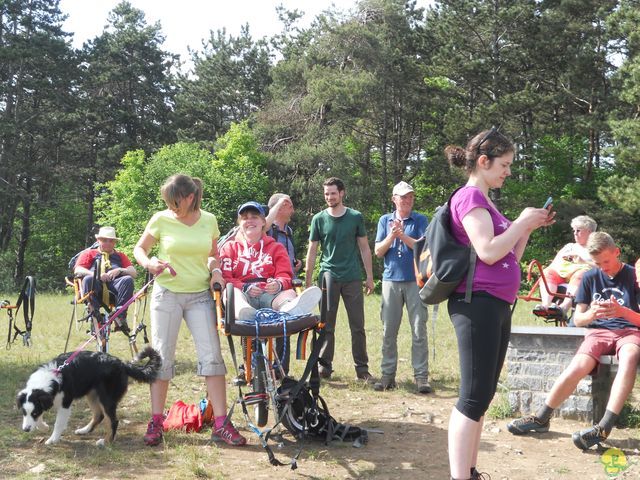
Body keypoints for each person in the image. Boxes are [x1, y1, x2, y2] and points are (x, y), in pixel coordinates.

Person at [445, 128, 554, 480]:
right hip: (476, 304)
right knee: (472, 396)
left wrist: (524, 231)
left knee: (485, 394)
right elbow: (488, 251)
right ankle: (460, 476)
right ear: (483, 161)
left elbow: (508, 256)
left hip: (494, 305)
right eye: (504, 164)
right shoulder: (470, 198)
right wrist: (520, 221)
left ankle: (471, 470)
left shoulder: (488, 201)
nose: (508, 171)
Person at [133, 174, 246, 447]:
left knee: (212, 356)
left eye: (176, 201)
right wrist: (149, 264)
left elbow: (212, 254)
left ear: (191, 197)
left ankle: (220, 423)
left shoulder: (209, 220)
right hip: (167, 294)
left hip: (199, 295)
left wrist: (216, 271)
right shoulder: (160, 219)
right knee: (161, 356)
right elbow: (140, 248)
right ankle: (157, 421)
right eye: (168, 202)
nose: (172, 206)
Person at [508, 232, 640, 450]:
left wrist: (622, 311)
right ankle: (541, 418)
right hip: (597, 332)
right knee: (578, 365)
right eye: (598, 263)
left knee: (630, 356)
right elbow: (578, 319)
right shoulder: (590, 277)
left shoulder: (633, 276)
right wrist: (592, 315)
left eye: (606, 261)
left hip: (629, 331)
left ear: (617, 252)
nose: (603, 267)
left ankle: (604, 427)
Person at [305, 177, 375, 383]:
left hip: (352, 276)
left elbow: (364, 247)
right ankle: (325, 366)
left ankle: (362, 369)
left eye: (333, 193)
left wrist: (369, 277)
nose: (329, 197)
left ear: (342, 193)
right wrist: (308, 281)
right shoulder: (318, 218)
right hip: (328, 276)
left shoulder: (355, 217)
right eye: (326, 193)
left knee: (358, 325)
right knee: (326, 324)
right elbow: (312, 250)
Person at [373, 181, 431, 393]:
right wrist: (392, 235)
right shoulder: (384, 220)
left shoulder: (420, 220)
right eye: (403, 197)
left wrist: (402, 235)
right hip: (391, 280)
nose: (407, 200)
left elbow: (423, 247)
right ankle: (387, 376)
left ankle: (421, 377)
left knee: (418, 329)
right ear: (394, 199)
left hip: (416, 280)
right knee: (389, 330)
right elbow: (378, 251)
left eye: (410, 197)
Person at [219, 200, 321, 321]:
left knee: (289, 293)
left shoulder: (276, 247)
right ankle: (244, 312)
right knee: (231, 292)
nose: (249, 221)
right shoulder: (229, 248)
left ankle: (289, 309)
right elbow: (226, 278)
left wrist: (278, 284)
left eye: (254, 217)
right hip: (243, 294)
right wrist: (244, 287)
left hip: (270, 295)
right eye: (245, 218)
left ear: (263, 222)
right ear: (239, 223)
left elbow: (285, 275)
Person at [265, 193, 303, 374]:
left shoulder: (289, 231)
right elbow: (263, 224)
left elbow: (287, 258)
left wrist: (295, 265)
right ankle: (255, 367)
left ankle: (281, 368)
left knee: (284, 325)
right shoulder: (265, 229)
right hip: (266, 285)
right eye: (290, 206)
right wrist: (280, 201)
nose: (293, 210)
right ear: (280, 208)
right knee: (262, 326)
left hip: (285, 284)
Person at [74, 226, 137, 331]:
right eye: (104, 240)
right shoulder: (89, 253)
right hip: (95, 289)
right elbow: (78, 270)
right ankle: (94, 314)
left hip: (114, 290)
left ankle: (120, 316)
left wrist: (121, 270)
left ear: (114, 242)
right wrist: (97, 275)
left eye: (111, 240)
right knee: (89, 279)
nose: (108, 243)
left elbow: (134, 273)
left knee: (128, 279)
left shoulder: (120, 256)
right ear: (98, 240)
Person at [535, 215, 597, 316]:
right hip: (561, 274)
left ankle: (564, 307)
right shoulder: (569, 246)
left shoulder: (595, 249)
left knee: (581, 274)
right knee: (548, 272)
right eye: (574, 230)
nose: (575, 233)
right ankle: (545, 306)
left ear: (589, 232)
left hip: (581, 276)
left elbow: (602, 268)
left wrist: (583, 261)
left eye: (578, 230)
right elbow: (553, 264)